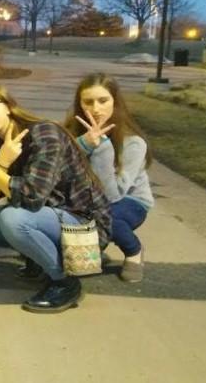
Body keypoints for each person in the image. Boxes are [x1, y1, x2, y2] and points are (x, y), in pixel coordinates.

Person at [0, 84, 112, 313]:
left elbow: (32, 197)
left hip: (84, 227)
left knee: (13, 218)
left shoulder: (45, 133)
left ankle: (64, 282)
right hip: (44, 218)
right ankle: (37, 256)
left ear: (8, 107)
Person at [66, 73, 152, 282]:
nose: (96, 109)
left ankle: (134, 251)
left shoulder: (133, 142)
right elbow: (58, 169)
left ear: (115, 102)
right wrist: (83, 144)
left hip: (128, 200)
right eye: (88, 102)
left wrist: (102, 148)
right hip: (84, 198)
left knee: (107, 217)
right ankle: (96, 247)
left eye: (103, 101)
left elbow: (114, 195)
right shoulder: (70, 131)